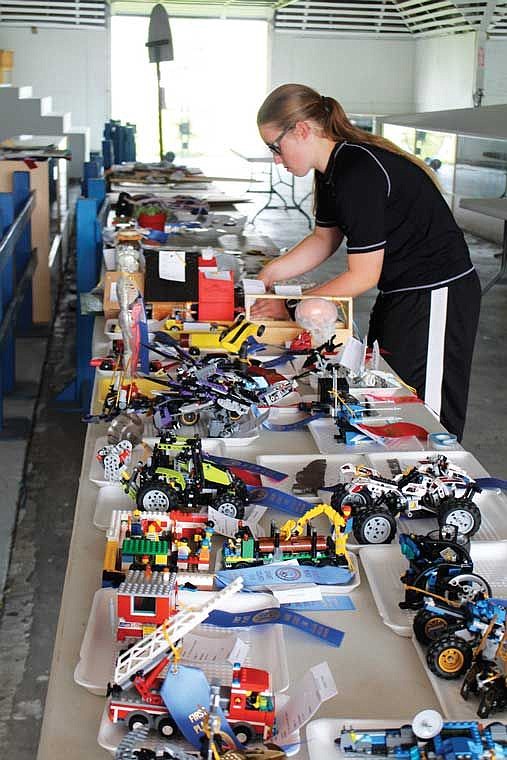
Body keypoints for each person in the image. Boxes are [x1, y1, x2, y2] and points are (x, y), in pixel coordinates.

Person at [251, 83, 481, 440]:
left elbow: (362, 275)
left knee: (428, 412)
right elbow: (323, 239)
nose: (276, 160)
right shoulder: (331, 172)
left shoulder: (358, 170)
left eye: (275, 148)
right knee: (387, 388)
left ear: (301, 130)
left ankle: (441, 482)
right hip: (401, 292)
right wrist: (267, 276)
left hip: (438, 293)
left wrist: (291, 304)